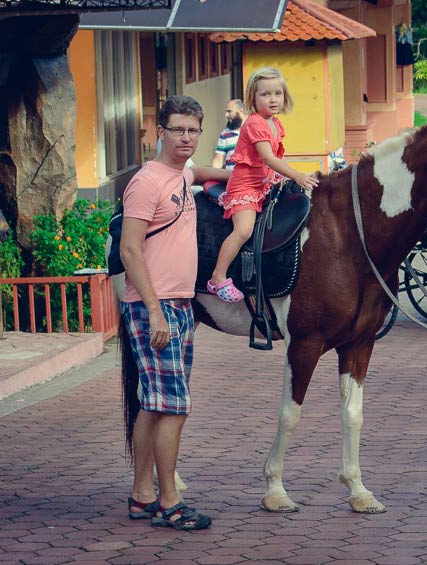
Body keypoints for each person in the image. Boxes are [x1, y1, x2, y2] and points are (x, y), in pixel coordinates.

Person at [120, 95, 231, 531]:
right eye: (177, 130)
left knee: (153, 403)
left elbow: (199, 171)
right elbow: (131, 249)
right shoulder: (147, 182)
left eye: (193, 130)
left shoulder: (180, 173)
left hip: (180, 304)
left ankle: (141, 494)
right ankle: (169, 501)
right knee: (174, 406)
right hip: (155, 308)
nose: (186, 137)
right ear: (159, 132)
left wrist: (242, 172)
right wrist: (155, 312)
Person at [207, 67, 318, 302]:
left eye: (277, 93)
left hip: (265, 184)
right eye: (265, 94)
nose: (273, 99)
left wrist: (287, 178)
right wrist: (297, 175)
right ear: (253, 98)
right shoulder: (255, 123)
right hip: (245, 188)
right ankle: (218, 277)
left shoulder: (275, 123)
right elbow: (268, 157)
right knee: (244, 230)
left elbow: (276, 159)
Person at [211, 99, 246, 170]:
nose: (226, 115)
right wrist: (212, 175)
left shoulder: (254, 129)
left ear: (241, 110)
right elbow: (218, 160)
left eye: (229, 111)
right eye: (226, 112)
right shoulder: (225, 134)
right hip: (231, 179)